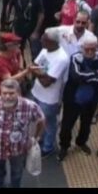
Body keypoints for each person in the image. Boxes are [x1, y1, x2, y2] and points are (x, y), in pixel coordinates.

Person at [0, 79, 45, 189]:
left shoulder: (29, 106)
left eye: (11, 93)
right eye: (4, 93)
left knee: (17, 172)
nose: (7, 96)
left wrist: (35, 138)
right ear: (0, 93)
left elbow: (41, 120)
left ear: (18, 93)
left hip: (19, 149)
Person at [58, 34, 98, 160]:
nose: (90, 52)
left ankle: (81, 142)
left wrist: (88, 77)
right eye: (87, 49)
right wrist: (94, 75)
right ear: (81, 48)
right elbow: (76, 76)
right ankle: (64, 146)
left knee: (86, 124)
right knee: (67, 125)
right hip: (73, 98)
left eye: (93, 49)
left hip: (91, 99)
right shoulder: (75, 57)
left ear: (97, 47)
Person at [29, 27, 70, 157]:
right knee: (39, 120)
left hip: (49, 98)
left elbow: (47, 83)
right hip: (36, 92)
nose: (41, 40)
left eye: (44, 39)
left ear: (52, 41)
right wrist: (40, 73)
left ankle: (48, 147)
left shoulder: (61, 58)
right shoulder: (46, 49)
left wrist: (35, 72)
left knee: (49, 122)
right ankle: (40, 138)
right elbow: (34, 64)